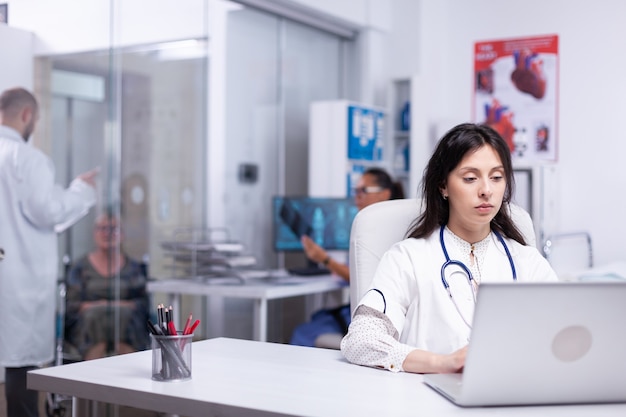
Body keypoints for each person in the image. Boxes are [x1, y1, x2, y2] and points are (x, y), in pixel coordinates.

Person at [341, 123, 558, 373]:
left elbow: (565, 332)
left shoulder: (527, 261)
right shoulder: (408, 258)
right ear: (443, 186)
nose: (486, 190)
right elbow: (359, 341)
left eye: (497, 177)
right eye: (470, 178)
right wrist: (442, 363)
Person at [0, 87, 98, 417]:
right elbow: (49, 213)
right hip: (18, 282)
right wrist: (82, 191)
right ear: (27, 115)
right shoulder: (27, 158)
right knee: (21, 369)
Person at [290, 167, 405, 346]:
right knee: (318, 317)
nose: (357, 197)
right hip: (367, 309)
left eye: (363, 191)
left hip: (374, 314)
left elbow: (361, 278)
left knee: (303, 332)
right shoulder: (375, 227)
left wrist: (324, 259)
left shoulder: (383, 232)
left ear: (385, 194)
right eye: (356, 191)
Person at [65, 212, 150, 360]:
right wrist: (101, 306)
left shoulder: (134, 268)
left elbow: (143, 303)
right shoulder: (80, 267)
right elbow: (72, 304)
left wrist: (116, 305)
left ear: (122, 235)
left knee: (124, 315)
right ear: (94, 233)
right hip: (88, 322)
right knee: (94, 315)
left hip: (127, 321)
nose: (107, 234)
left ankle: (127, 373)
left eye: (113, 229)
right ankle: (93, 373)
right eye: (102, 228)